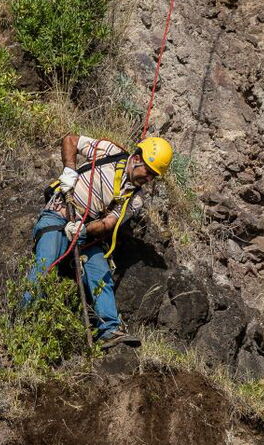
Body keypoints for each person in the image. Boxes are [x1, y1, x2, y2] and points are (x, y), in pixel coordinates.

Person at [25, 133, 173, 348]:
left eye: (154, 176)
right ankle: (23, 318)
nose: (149, 179)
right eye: (148, 172)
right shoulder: (109, 152)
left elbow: (107, 224)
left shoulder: (135, 199)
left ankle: (110, 330)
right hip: (57, 216)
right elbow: (70, 140)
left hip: (85, 236)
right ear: (137, 158)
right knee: (45, 263)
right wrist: (69, 169)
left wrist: (83, 229)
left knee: (101, 275)